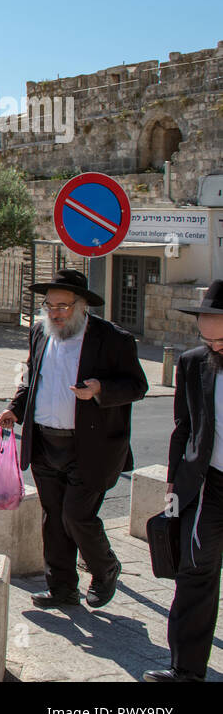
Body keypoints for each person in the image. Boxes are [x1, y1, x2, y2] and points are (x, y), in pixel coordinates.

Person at [0, 269, 148, 609]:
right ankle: (62, 588)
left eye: (63, 306)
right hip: (45, 444)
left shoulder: (113, 339)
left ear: (82, 306)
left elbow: (138, 386)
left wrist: (100, 390)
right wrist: (14, 409)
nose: (55, 313)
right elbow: (30, 380)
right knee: (53, 518)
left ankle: (105, 568)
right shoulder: (39, 333)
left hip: (91, 448)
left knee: (76, 516)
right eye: (50, 305)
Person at [144, 280, 223, 681]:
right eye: (208, 340)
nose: (215, 348)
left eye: (222, 340)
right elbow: (183, 428)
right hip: (208, 485)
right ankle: (186, 670)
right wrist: (173, 484)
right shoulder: (193, 363)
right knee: (195, 574)